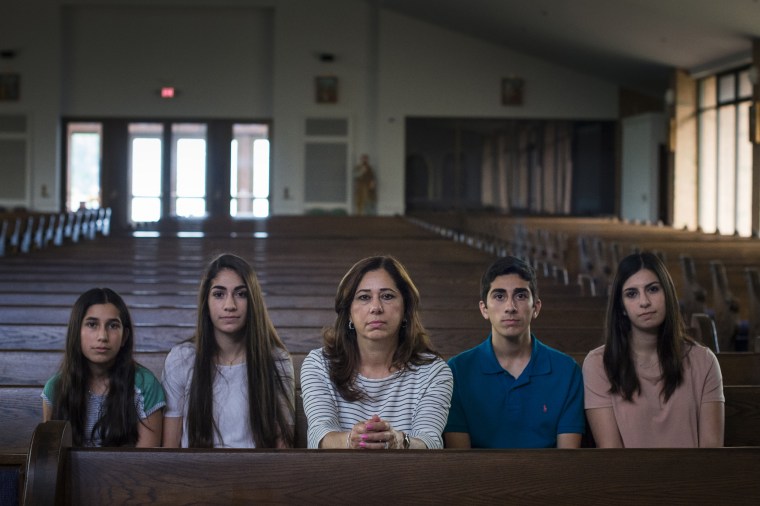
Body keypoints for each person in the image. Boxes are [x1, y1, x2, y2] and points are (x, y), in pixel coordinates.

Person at [300, 255, 453, 449]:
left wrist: (399, 441)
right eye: (364, 297)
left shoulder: (434, 371)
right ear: (349, 312)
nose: (376, 308)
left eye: (387, 296)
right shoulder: (319, 364)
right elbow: (319, 436)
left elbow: (430, 441)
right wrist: (351, 440)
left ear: (406, 308)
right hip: (337, 476)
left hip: (410, 477)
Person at [582, 252, 724, 447]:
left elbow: (712, 451)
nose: (644, 302)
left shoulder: (704, 361)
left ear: (667, 294)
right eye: (632, 294)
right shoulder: (598, 364)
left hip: (695, 476)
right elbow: (612, 455)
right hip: (628, 476)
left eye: (653, 289)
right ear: (621, 307)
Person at [444, 256, 585, 448]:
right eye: (499, 296)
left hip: (550, 477)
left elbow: (567, 461)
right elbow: (460, 463)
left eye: (520, 296)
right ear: (484, 309)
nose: (510, 307)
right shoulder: (456, 371)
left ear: (536, 307)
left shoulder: (567, 371)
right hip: (478, 477)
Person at [162, 253, 295, 448]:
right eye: (219, 294)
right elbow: (170, 450)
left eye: (241, 294)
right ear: (206, 303)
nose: (230, 305)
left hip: (258, 474)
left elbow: (283, 448)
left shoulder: (277, 360)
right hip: (196, 474)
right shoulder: (182, 358)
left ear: (253, 302)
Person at [42, 288, 165, 447]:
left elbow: (146, 462)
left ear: (124, 337)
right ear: (76, 332)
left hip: (128, 471)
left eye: (113, 326)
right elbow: (52, 459)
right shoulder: (55, 388)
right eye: (92, 324)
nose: (102, 336)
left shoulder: (145, 385)